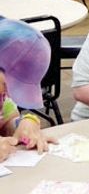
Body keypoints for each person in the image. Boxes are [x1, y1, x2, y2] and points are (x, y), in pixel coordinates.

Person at [0, 16, 56, 161]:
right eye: (8, 85)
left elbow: (6, 122)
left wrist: (24, 123)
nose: (8, 93)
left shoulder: (2, 96)